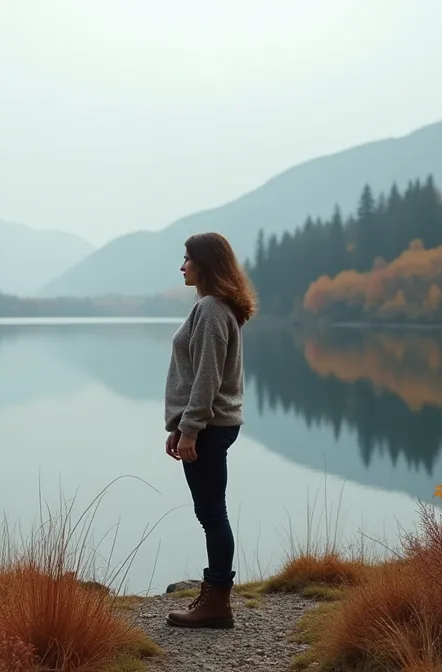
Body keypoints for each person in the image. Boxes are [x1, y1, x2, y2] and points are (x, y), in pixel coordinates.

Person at [162, 231, 257, 629]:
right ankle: (215, 597)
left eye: (187, 258)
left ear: (204, 264)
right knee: (211, 514)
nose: (182, 266)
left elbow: (206, 379)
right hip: (207, 424)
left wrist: (190, 429)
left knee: (213, 515)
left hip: (209, 427)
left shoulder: (213, 310)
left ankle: (217, 603)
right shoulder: (211, 307)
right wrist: (179, 425)